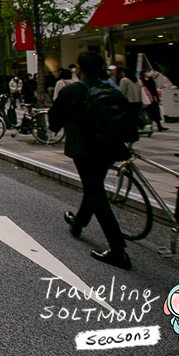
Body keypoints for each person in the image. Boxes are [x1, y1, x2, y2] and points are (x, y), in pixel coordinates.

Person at [49, 50, 131, 270]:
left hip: (85, 150)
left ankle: (117, 249)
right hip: (111, 149)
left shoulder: (72, 90)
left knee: (96, 193)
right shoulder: (110, 88)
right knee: (93, 186)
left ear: (80, 69)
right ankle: (78, 223)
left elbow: (53, 121)